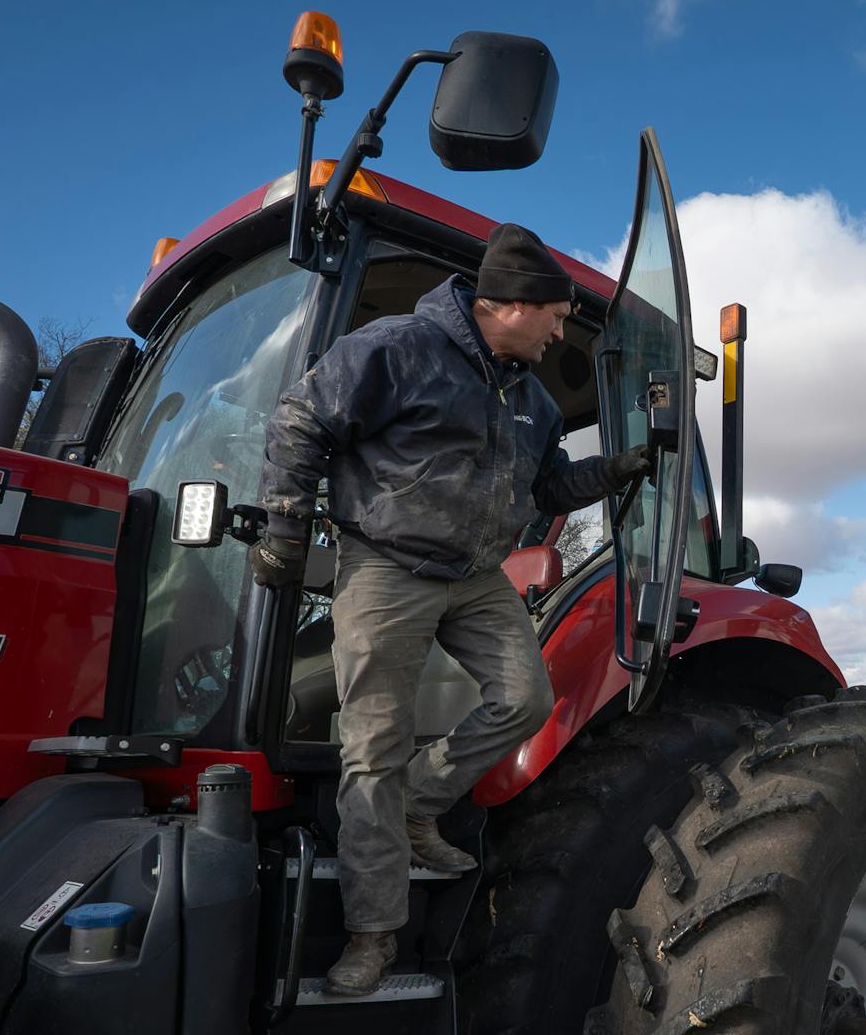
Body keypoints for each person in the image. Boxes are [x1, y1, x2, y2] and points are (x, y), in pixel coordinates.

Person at [253, 224, 651, 995]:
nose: (562, 331)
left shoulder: (530, 398)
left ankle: (417, 800)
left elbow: (547, 490)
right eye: (556, 315)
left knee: (527, 695)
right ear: (511, 305)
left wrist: (613, 469)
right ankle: (373, 932)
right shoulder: (399, 349)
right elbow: (302, 421)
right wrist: (283, 527)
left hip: (474, 575)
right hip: (387, 566)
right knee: (371, 745)